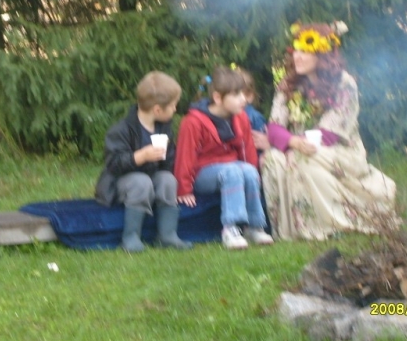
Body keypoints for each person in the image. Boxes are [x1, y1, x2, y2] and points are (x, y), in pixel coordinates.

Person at [260, 21, 397, 241]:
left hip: (340, 151)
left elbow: (329, 133)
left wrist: (290, 142)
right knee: (272, 159)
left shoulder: (344, 84)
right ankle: (288, 231)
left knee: (303, 158)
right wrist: (291, 142)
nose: (297, 56)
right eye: (296, 50)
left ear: (322, 54)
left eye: (305, 51)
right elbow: (274, 128)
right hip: (298, 148)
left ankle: (333, 225)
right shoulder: (289, 84)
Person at [173, 66, 274, 250]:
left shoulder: (241, 117)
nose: (243, 99)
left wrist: (253, 173)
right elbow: (185, 157)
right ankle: (230, 229)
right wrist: (184, 189)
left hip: (230, 167)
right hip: (202, 174)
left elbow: (247, 150)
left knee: (249, 171)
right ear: (218, 98)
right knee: (232, 171)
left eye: (243, 94)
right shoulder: (193, 122)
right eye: (236, 95)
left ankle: (255, 226)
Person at [95, 71, 192, 252]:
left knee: (167, 179)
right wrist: (140, 156)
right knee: (142, 182)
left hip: (151, 179)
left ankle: (167, 234)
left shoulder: (164, 128)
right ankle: (131, 237)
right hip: (120, 184)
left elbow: (169, 161)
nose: (175, 110)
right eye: (172, 106)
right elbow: (113, 164)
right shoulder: (122, 129)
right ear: (157, 109)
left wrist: (166, 160)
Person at [239, 68, 270, 153]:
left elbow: (261, 145)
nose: (239, 99)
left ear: (250, 96)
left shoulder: (255, 118)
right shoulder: (228, 115)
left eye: (244, 94)